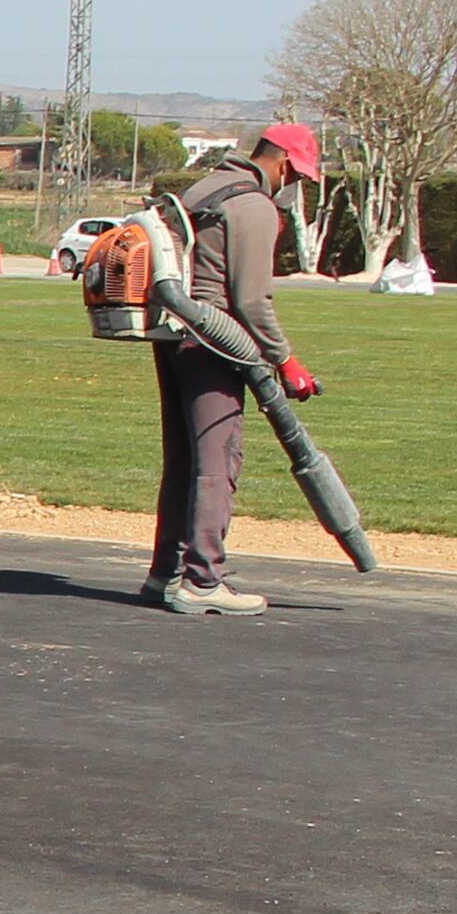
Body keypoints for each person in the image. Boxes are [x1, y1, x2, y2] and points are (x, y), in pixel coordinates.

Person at [146, 122, 323, 618]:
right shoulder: (252, 205)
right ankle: (202, 579)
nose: (296, 186)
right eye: (299, 177)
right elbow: (250, 299)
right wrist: (285, 359)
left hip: (173, 335)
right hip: (212, 343)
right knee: (218, 462)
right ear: (284, 163)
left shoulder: (205, 186)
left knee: (185, 460)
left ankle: (166, 571)